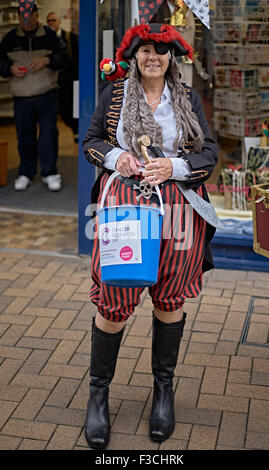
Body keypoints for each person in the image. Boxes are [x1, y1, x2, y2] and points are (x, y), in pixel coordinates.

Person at [82, 23, 217, 450]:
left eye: (161, 50)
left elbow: (208, 153)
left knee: (169, 297)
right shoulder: (116, 95)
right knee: (115, 300)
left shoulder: (189, 98)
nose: (152, 56)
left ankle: (163, 391)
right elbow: (91, 142)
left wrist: (173, 167)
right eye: (145, 50)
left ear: (171, 57)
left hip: (178, 209)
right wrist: (118, 156)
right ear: (134, 55)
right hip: (126, 208)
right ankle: (98, 395)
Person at [0, 4, 68, 191]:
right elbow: (1, 61)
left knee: (48, 135)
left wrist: (46, 60)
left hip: (47, 95)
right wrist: (9, 68)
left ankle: (50, 173)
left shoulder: (49, 35)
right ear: (19, 17)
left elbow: (64, 58)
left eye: (30, 16)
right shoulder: (10, 37)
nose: (27, 20)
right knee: (24, 137)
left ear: (37, 15)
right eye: (23, 17)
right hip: (21, 97)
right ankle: (25, 173)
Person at [46, 11, 79, 142]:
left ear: (59, 22)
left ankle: (76, 129)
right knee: (61, 110)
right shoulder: (44, 40)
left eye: (54, 20)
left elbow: (77, 59)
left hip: (69, 81)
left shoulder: (71, 38)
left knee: (70, 107)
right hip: (51, 81)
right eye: (49, 21)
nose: (51, 23)